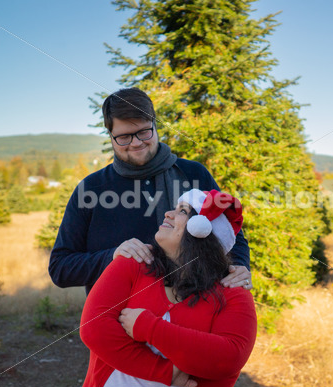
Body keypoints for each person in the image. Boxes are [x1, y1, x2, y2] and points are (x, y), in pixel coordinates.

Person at [48, 88, 252, 293]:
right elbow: (60, 268)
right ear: (110, 135)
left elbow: (233, 236)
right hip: (117, 320)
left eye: (144, 132)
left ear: (155, 125)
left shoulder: (193, 174)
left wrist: (240, 266)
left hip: (193, 313)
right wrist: (112, 256)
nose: (136, 143)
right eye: (124, 137)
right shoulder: (90, 189)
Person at [78, 189, 257, 387]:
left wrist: (148, 327)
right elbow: (94, 329)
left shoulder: (232, 289)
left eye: (182, 211)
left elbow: (228, 357)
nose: (168, 214)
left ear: (202, 230)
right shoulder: (134, 261)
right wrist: (164, 372)